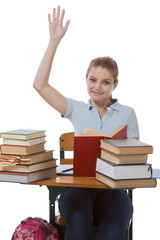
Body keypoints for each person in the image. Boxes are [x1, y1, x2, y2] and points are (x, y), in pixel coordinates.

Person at [33, 6, 140, 240]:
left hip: (112, 191)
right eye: (93, 80)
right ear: (86, 79)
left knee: (114, 227)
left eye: (105, 82)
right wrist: (53, 42)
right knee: (79, 220)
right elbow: (40, 85)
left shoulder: (128, 114)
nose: (97, 87)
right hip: (78, 190)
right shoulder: (76, 109)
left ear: (114, 85)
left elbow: (135, 160)